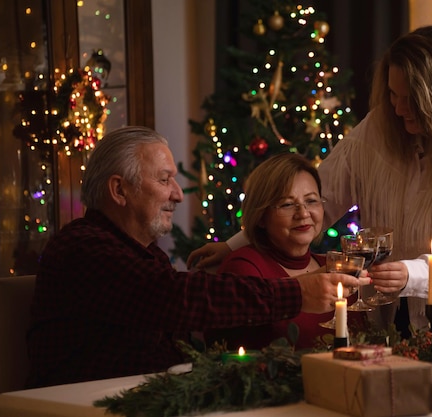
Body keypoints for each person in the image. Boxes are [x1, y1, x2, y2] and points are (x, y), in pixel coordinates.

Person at [187, 25, 432, 338]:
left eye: (410, 98)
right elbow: (318, 199)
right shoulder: (380, 127)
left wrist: (410, 273)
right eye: (392, 95)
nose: (398, 108)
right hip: (393, 308)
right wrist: (233, 245)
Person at [26, 126, 362, 388]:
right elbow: (173, 298)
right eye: (164, 179)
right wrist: (297, 293)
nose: (177, 194)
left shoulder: (144, 255)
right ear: (119, 190)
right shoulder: (83, 249)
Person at [206, 153, 363, 350]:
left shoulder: (334, 267)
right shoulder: (244, 267)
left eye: (312, 201)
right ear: (261, 216)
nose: (303, 213)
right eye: (287, 204)